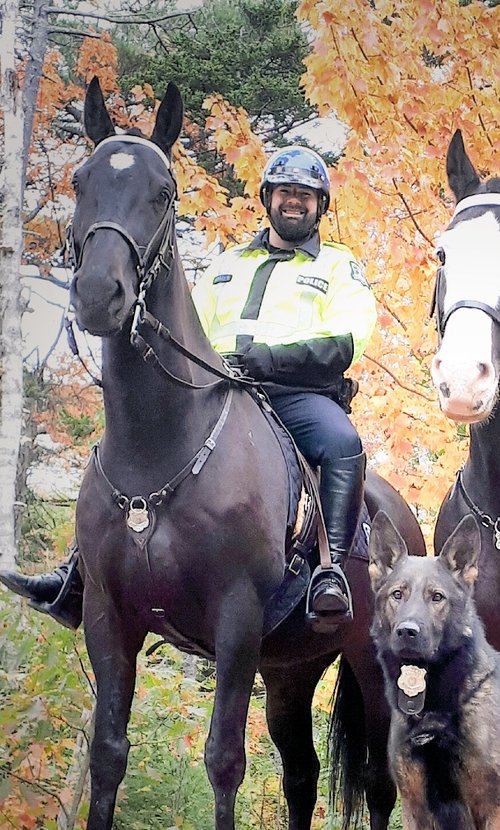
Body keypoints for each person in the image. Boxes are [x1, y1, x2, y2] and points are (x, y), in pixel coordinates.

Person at [1, 146, 375, 633]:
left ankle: (331, 572)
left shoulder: (337, 266)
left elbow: (347, 339)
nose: (293, 202)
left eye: (304, 195)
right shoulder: (228, 264)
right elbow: (189, 330)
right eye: (285, 192)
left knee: (344, 443)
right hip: (217, 391)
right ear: (267, 198)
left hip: (295, 395)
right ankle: (79, 570)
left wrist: (265, 358)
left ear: (319, 205)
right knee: (129, 439)